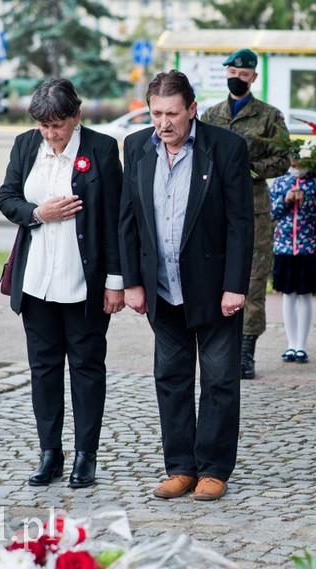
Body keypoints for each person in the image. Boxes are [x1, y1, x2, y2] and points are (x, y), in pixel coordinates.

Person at [119, 70, 254, 501]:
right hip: (162, 289)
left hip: (215, 290)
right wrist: (132, 282)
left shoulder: (226, 147)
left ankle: (214, 469)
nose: (164, 123)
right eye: (156, 113)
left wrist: (236, 285)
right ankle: (180, 467)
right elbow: (129, 220)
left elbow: (240, 224)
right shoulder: (136, 146)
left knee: (218, 380)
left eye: (173, 114)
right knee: (171, 378)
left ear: (192, 109)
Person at [0, 78, 124, 489]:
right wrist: (37, 212)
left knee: (87, 368)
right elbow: (6, 197)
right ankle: (50, 451)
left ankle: (86, 454)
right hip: (36, 283)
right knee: (43, 370)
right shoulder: (24, 145)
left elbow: (115, 219)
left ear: (77, 116)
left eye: (58, 125)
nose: (51, 134)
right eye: (44, 126)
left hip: (83, 281)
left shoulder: (101, 149)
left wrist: (115, 281)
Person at [201, 48, 291, 380]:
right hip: (215, 210)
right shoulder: (211, 115)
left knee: (252, 280)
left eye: (243, 74)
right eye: (231, 73)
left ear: (254, 77)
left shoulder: (270, 116)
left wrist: (249, 170)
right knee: (213, 276)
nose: (236, 78)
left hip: (253, 208)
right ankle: (218, 347)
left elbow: (283, 159)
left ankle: (246, 351)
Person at [270, 159, 316, 364]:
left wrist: (307, 200)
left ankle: (301, 346)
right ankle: (290, 344)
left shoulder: (315, 183)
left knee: (304, 295)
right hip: (285, 247)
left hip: (308, 248)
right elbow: (270, 213)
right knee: (288, 295)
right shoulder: (280, 181)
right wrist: (285, 200)